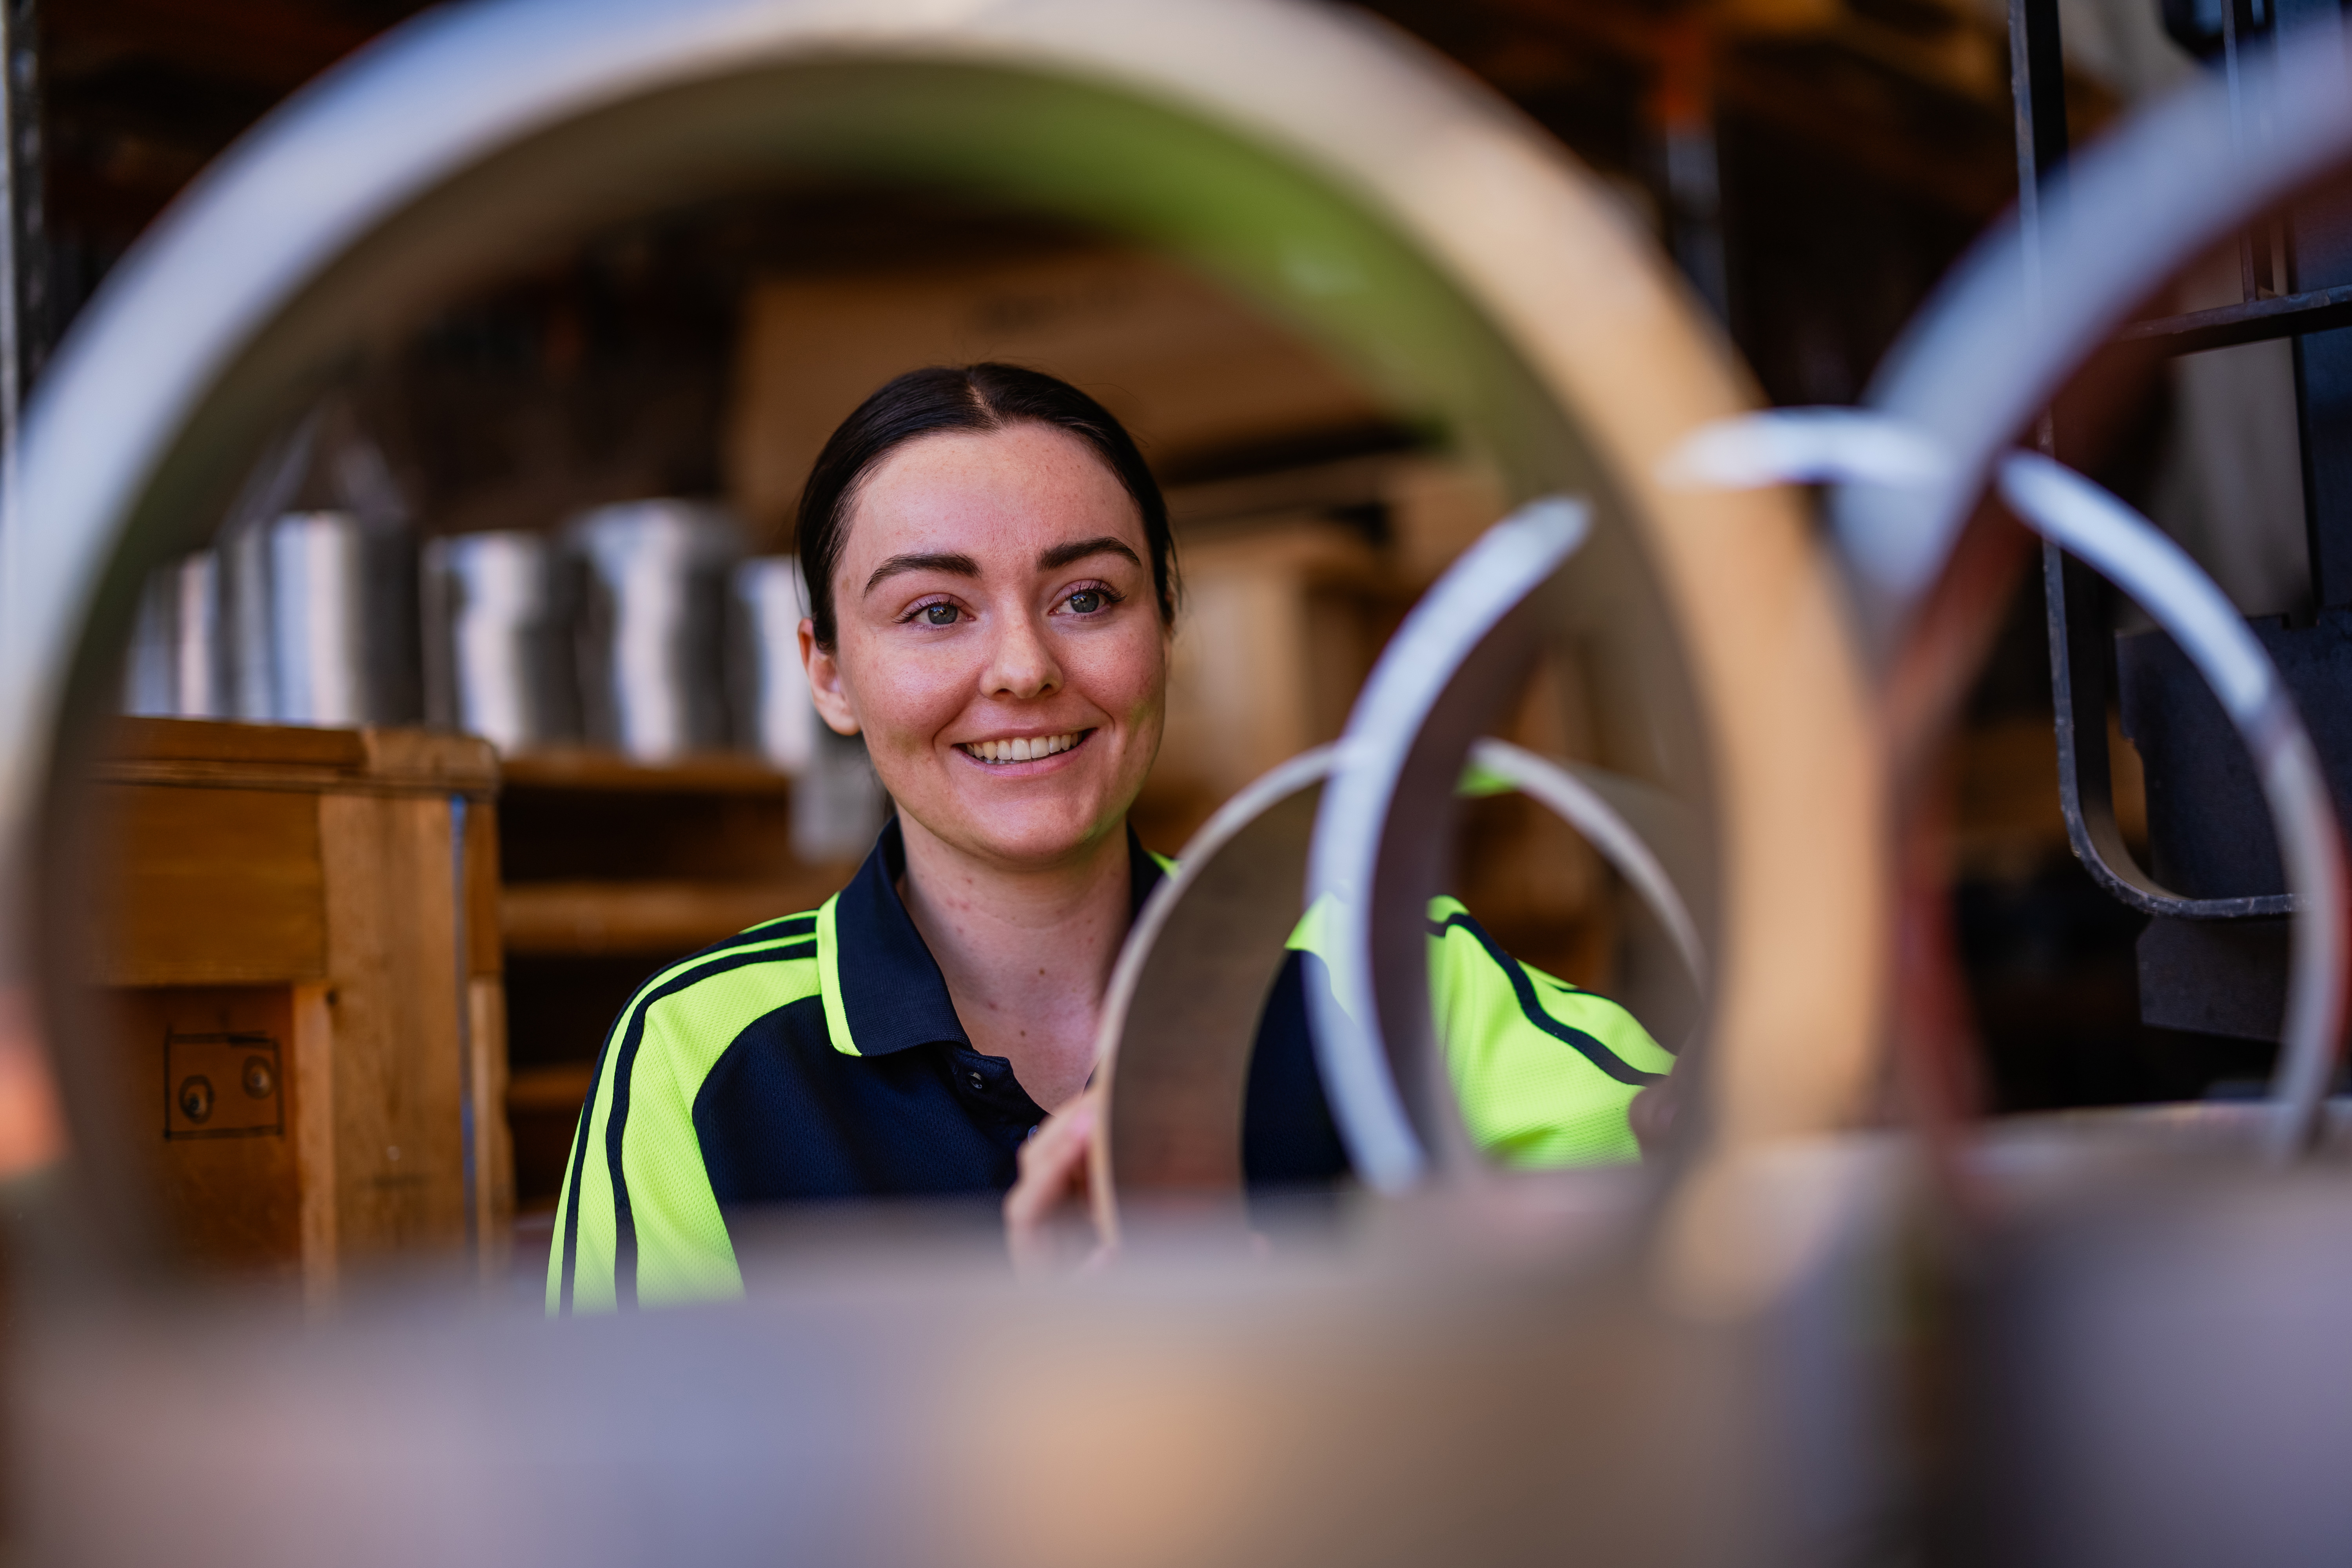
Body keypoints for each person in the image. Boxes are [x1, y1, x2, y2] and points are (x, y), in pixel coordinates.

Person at [548, 364, 1674, 1314]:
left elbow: (1707, 1204)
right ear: (829, 673)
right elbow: (614, 1477)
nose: (1024, 668)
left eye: (1087, 597)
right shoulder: (702, 1057)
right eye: (936, 611)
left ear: (1166, 626)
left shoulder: (1381, 968)